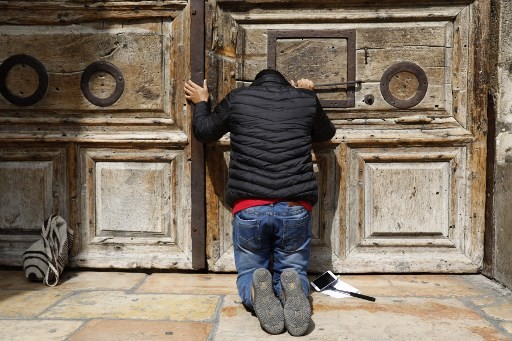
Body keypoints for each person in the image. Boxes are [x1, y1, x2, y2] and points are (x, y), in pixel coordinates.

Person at [184, 69, 336, 336]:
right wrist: (308, 95)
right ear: (285, 83)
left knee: (252, 269)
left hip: (250, 206)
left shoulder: (238, 98)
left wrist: (201, 102)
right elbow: (326, 133)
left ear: (255, 84)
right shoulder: (304, 99)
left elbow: (205, 132)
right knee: (293, 266)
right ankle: (294, 290)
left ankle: (256, 293)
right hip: (294, 206)